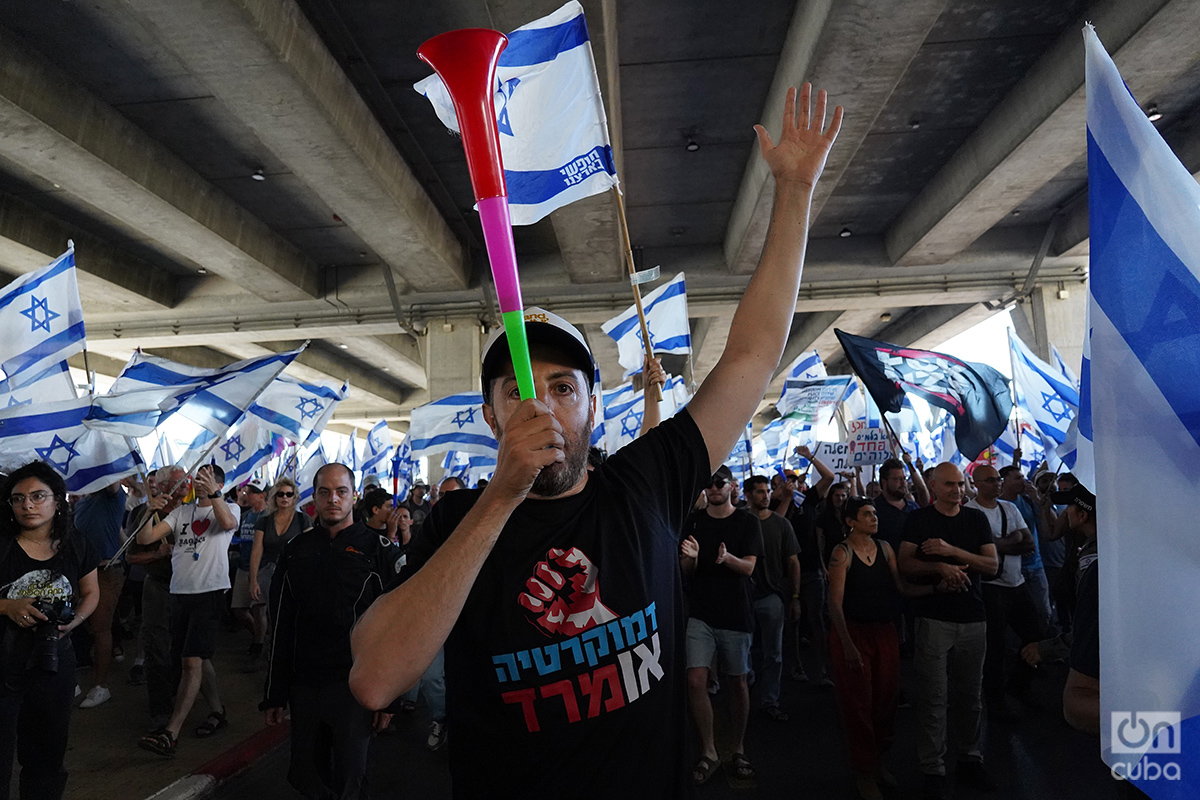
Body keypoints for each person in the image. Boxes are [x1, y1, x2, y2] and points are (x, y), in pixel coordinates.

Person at [347, 83, 842, 798]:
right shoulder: (456, 523)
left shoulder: (647, 481)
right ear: (489, 416)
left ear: (594, 407)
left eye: (562, 388)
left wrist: (794, 191)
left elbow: (752, 355)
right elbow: (374, 678)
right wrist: (501, 499)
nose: (541, 406)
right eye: (517, 390)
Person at [262, 464, 403, 799]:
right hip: (305, 684)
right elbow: (281, 622)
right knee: (305, 774)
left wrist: (390, 696)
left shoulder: (379, 552)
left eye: (341, 491)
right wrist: (274, 692)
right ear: (314, 497)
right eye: (324, 492)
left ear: (354, 496)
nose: (333, 500)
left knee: (351, 780)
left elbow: (397, 629)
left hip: (354, 686)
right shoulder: (296, 550)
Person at [827, 497, 952, 800]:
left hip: (885, 632)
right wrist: (847, 645)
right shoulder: (842, 553)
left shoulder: (885, 549)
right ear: (850, 521)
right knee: (858, 705)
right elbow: (835, 603)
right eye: (867, 514)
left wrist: (936, 588)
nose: (874, 518)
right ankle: (864, 772)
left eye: (874, 514)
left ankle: (878, 762)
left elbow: (902, 588)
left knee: (885, 702)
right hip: (855, 633)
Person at [898, 462, 998, 800]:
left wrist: (950, 553)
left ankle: (970, 757)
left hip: (973, 616)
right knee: (933, 697)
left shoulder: (975, 519)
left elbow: (992, 564)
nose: (957, 491)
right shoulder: (919, 520)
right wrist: (938, 568)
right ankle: (933, 767)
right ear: (934, 485)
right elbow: (905, 564)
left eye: (960, 484)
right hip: (934, 617)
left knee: (971, 696)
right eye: (950, 485)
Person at [0, 462, 99, 800]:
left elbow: (90, 592)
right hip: (3, 661)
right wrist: (7, 607)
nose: (27, 505)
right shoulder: (2, 545)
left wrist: (74, 621)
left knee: (47, 753)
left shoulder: (76, 544)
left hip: (54, 660)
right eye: (18, 499)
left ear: (58, 500)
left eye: (38, 496)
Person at [134, 464, 239, 757]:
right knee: (197, 659)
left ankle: (171, 732)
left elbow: (228, 524)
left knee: (191, 661)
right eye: (199, 477)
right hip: (180, 594)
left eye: (207, 477)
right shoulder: (182, 512)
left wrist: (215, 493)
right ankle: (217, 711)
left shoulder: (229, 508)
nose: (199, 481)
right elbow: (145, 539)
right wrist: (147, 510)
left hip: (209, 593)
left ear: (219, 482)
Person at [680, 466, 763, 783]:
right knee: (696, 680)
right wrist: (691, 557)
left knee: (738, 682)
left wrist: (727, 558)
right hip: (701, 612)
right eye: (709, 484)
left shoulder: (746, 521)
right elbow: (687, 569)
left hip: (735, 613)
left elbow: (749, 568)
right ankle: (709, 749)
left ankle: (738, 747)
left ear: (731, 487)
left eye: (719, 483)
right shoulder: (695, 520)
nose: (714, 488)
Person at [966, 465, 1041, 721]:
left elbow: (1029, 543)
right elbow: (977, 550)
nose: (997, 483)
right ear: (976, 483)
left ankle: (1018, 685)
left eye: (998, 479)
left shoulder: (1008, 508)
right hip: (989, 587)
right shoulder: (970, 513)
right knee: (995, 648)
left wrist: (997, 546)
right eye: (990, 480)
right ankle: (996, 702)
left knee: (1036, 634)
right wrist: (1011, 541)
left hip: (1016, 583)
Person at [742, 474, 800, 722]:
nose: (765, 496)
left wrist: (795, 596)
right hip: (743, 597)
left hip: (772, 596)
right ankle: (748, 689)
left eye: (767, 491)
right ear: (748, 496)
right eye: (759, 492)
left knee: (773, 653)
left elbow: (793, 562)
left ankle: (770, 700)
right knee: (742, 652)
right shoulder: (739, 522)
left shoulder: (781, 524)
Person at [73, 479, 127, 709]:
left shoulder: (112, 498)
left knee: (100, 627)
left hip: (106, 571)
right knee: (73, 623)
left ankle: (101, 686)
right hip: (81, 572)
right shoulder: (81, 504)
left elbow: (111, 478)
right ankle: (71, 679)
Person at [247, 478, 311, 608]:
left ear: (295, 497)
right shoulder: (264, 521)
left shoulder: (303, 519)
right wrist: (253, 580)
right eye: (280, 494)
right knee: (265, 611)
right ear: (275, 497)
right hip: (268, 571)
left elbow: (310, 548)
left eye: (289, 494)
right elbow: (256, 551)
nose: (285, 497)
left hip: (296, 572)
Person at [230, 482, 268, 669]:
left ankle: (259, 645)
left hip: (262, 567)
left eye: (253, 492)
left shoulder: (269, 517)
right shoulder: (246, 516)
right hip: (243, 565)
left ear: (262, 495)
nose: (248, 494)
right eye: (248, 491)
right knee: (239, 609)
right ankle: (260, 636)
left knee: (259, 608)